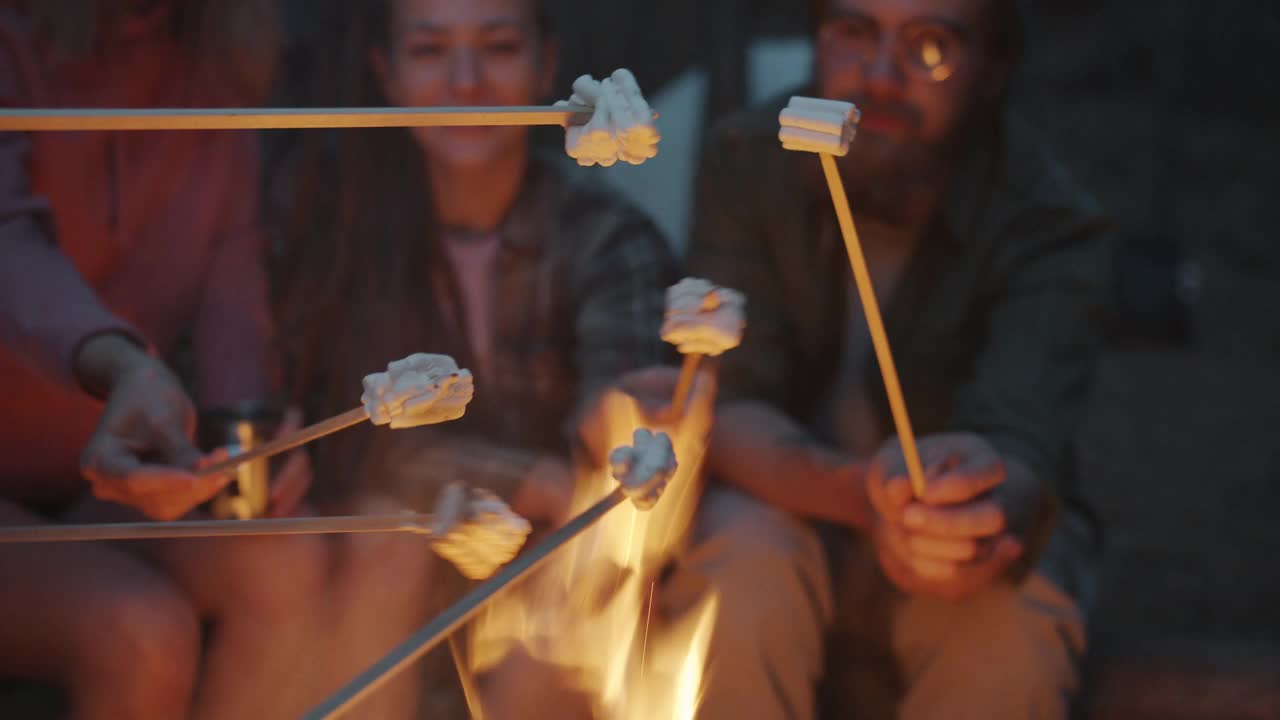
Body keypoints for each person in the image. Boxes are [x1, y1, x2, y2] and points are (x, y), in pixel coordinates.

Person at [680, 0, 1112, 717]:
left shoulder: (1050, 223)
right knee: (741, 563)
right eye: (854, 32)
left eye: (932, 46)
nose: (880, 76)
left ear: (995, 70)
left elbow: (1024, 443)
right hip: (789, 500)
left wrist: (969, 518)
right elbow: (722, 404)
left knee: (1008, 632)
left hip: (961, 525)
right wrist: (864, 494)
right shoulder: (748, 160)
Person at [272, 0, 678, 715]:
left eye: (497, 47)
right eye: (429, 51)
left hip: (561, 558)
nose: (465, 82)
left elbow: (616, 447)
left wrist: (619, 432)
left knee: (563, 602)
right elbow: (340, 447)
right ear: (385, 73)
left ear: (545, 66)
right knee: (382, 542)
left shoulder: (606, 233)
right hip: (381, 558)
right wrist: (527, 477)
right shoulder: (328, 213)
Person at [0, 2, 328, 718]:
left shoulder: (210, 74)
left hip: (104, 486)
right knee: (140, 633)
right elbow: (6, 247)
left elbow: (231, 280)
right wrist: (120, 365)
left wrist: (253, 436)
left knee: (286, 562)